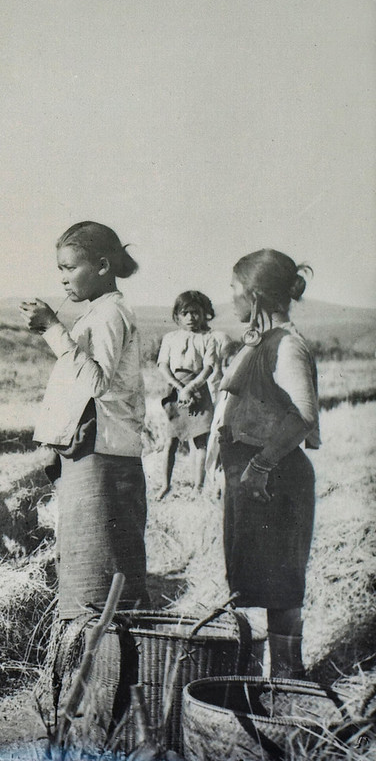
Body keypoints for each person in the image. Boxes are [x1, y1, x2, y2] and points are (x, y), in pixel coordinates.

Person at [19, 221, 148, 619]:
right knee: (87, 573)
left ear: (103, 266)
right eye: (59, 269)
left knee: (97, 581)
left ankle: (101, 674)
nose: (63, 279)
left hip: (104, 458)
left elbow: (96, 382)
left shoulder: (110, 314)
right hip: (94, 455)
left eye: (71, 268)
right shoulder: (98, 313)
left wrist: (53, 330)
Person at [209, 249, 318, 679]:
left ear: (254, 296)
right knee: (262, 580)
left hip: (275, 479)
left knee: (282, 584)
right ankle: (269, 675)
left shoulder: (287, 346)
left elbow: (302, 416)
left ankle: (289, 677)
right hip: (256, 478)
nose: (229, 298)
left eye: (234, 290)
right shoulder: (259, 343)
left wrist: (261, 465)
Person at [155, 290, 228, 498]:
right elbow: (163, 365)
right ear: (177, 315)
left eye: (195, 313)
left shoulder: (208, 339)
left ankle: (198, 487)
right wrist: (180, 388)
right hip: (175, 391)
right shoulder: (170, 338)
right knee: (171, 440)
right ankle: (165, 485)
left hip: (198, 391)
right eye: (185, 313)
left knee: (200, 440)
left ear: (205, 314)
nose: (190, 318)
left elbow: (208, 368)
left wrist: (191, 388)